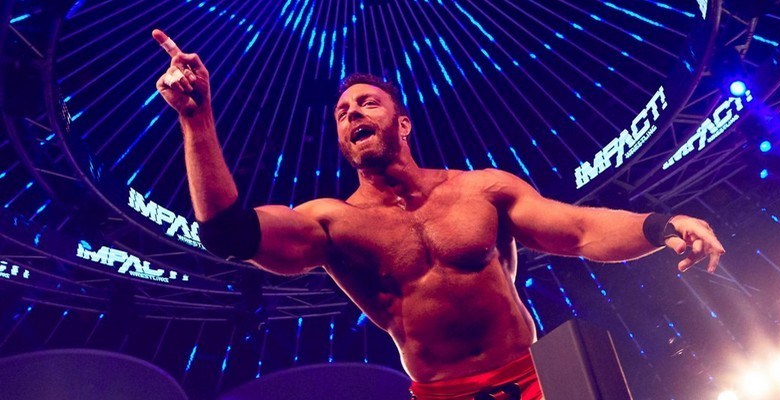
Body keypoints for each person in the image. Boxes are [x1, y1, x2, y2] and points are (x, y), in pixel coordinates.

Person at [152, 29, 725, 400]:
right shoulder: (331, 222)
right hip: (441, 393)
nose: (353, 114)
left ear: (402, 123)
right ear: (343, 141)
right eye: (343, 113)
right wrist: (197, 121)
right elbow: (227, 233)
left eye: (367, 103)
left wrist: (661, 225)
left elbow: (578, 231)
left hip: (533, 378)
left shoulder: (482, 189)